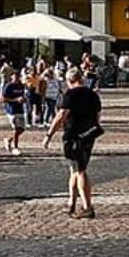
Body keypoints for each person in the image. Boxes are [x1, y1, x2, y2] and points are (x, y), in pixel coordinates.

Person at [44, 66, 103, 219]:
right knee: (74, 169)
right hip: (89, 135)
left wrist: (49, 134)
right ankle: (71, 203)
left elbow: (61, 115)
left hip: (73, 136)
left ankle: (87, 206)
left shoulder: (70, 94)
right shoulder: (92, 94)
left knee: (80, 170)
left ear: (69, 81)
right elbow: (97, 117)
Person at [0, 69, 28, 156]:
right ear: (11, 77)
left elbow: (23, 96)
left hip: (20, 109)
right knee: (16, 128)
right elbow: (3, 99)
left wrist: (24, 100)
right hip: (11, 110)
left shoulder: (21, 86)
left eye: (18, 77)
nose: (17, 78)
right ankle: (15, 147)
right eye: (15, 77)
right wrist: (15, 100)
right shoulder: (8, 86)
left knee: (22, 128)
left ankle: (9, 139)